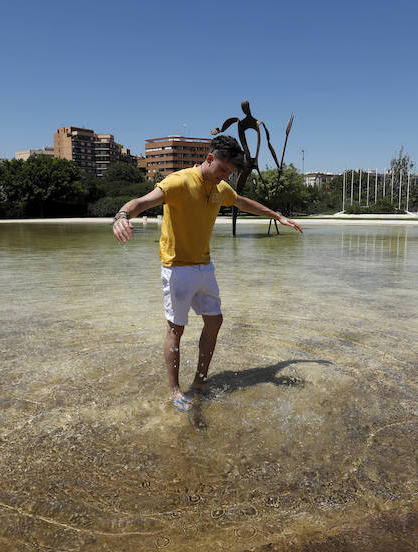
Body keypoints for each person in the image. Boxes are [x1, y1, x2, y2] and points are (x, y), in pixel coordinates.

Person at [112, 135, 303, 412]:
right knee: (176, 330)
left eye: (230, 173)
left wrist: (276, 216)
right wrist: (121, 216)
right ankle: (175, 390)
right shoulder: (179, 182)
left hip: (204, 267)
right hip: (176, 268)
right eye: (223, 170)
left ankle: (200, 382)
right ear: (210, 159)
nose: (225, 177)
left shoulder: (220, 187)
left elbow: (242, 202)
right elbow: (140, 202)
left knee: (214, 322)